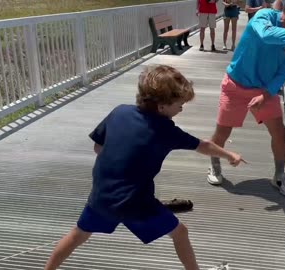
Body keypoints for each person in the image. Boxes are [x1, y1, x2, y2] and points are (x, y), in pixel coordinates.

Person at [44, 65, 245, 270]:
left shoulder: (119, 112)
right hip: (135, 203)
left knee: (78, 234)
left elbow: (98, 147)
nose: (181, 109)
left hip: (102, 196)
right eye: (180, 105)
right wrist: (230, 154)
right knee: (180, 233)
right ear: (161, 107)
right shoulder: (166, 130)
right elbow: (203, 145)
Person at [206, 0, 285, 197]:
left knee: (279, 133)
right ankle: (214, 164)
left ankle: (279, 176)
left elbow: (283, 71)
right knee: (222, 133)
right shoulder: (264, 16)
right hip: (235, 85)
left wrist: (266, 94)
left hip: (264, 89)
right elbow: (266, 34)